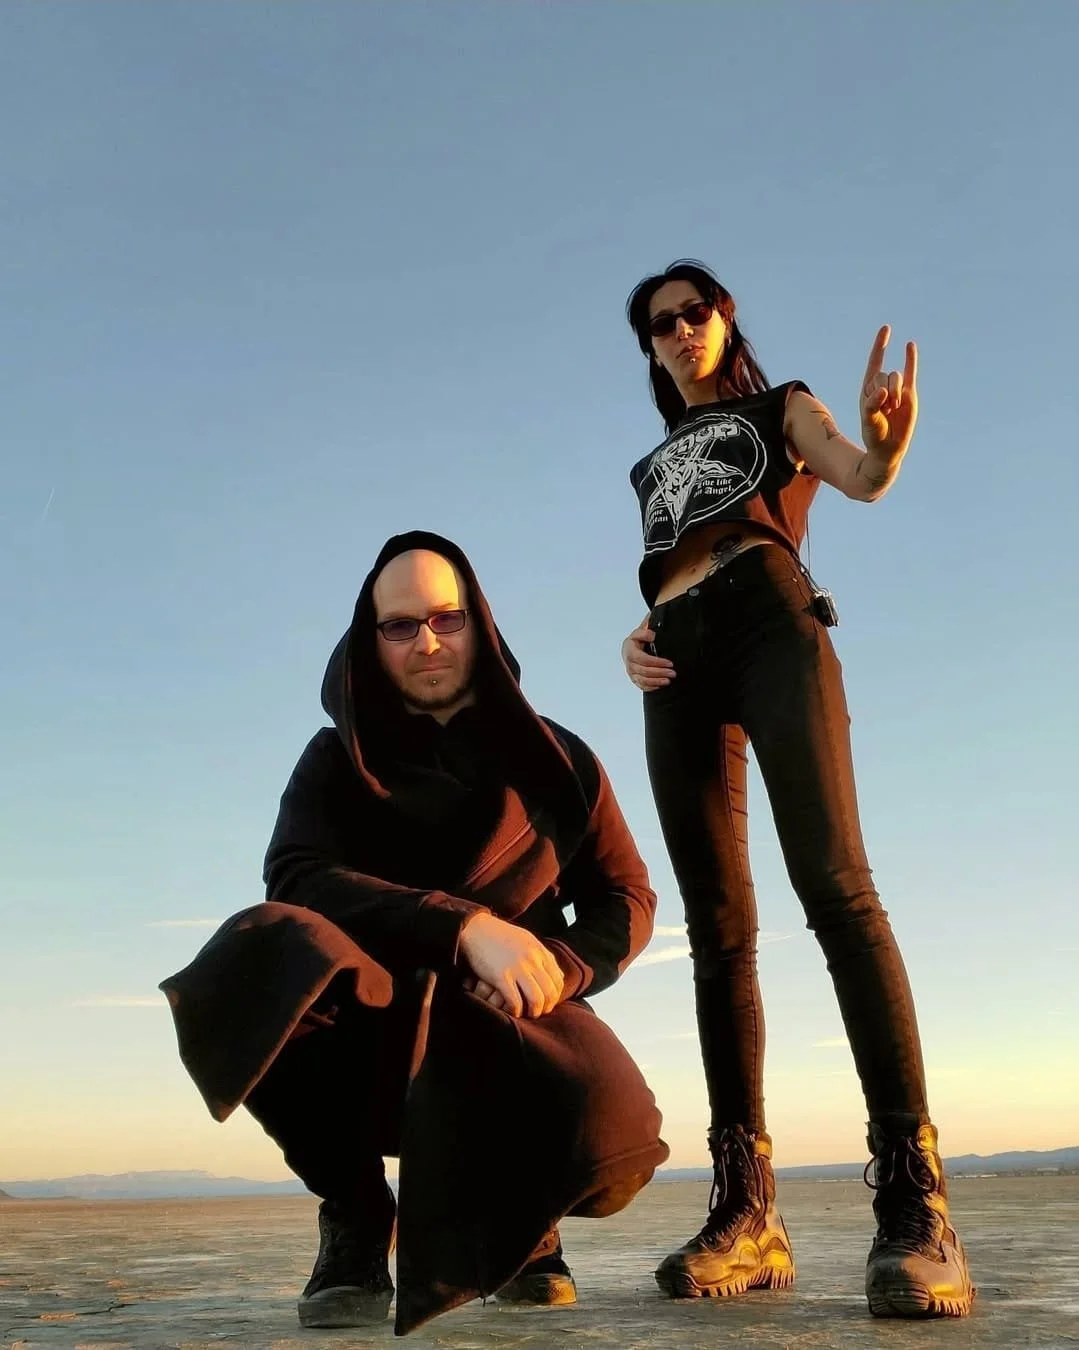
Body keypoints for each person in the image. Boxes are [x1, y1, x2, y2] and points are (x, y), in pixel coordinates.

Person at [160, 531, 668, 1337]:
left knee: (618, 1140)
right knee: (257, 948)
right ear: (371, 639)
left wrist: (559, 969)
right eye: (399, 625)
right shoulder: (334, 758)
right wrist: (463, 926)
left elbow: (626, 895)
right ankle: (357, 1211)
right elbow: (296, 875)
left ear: (480, 625)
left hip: (510, 1015)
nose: (426, 640)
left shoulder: (558, 759)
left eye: (445, 617)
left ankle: (525, 1216)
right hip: (369, 1018)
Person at [620, 260, 973, 1319]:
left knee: (834, 886)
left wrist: (887, 443)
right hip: (675, 662)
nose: (679, 332)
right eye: (659, 327)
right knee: (716, 930)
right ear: (647, 351)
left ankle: (914, 1208)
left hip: (774, 622)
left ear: (724, 320)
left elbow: (860, 478)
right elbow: (671, 560)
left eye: (695, 313)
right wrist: (638, 626)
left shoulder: (780, 408)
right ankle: (747, 1210)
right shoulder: (647, 466)